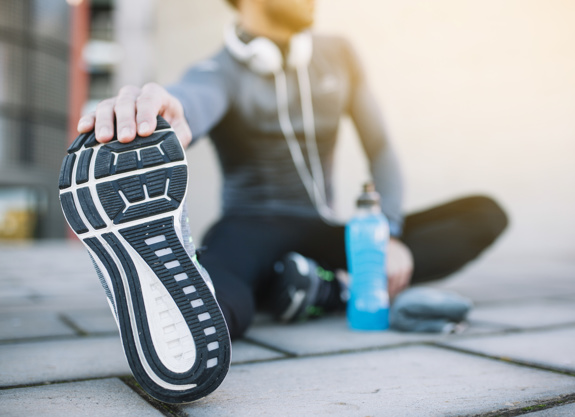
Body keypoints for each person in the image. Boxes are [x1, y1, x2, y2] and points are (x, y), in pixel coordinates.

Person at [69, 0, 507, 401]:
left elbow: (382, 151)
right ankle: (172, 319)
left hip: (328, 229)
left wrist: (387, 233)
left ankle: (319, 287)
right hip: (251, 225)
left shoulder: (339, 54)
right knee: (221, 285)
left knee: (484, 212)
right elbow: (192, 101)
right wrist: (162, 117)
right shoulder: (217, 70)